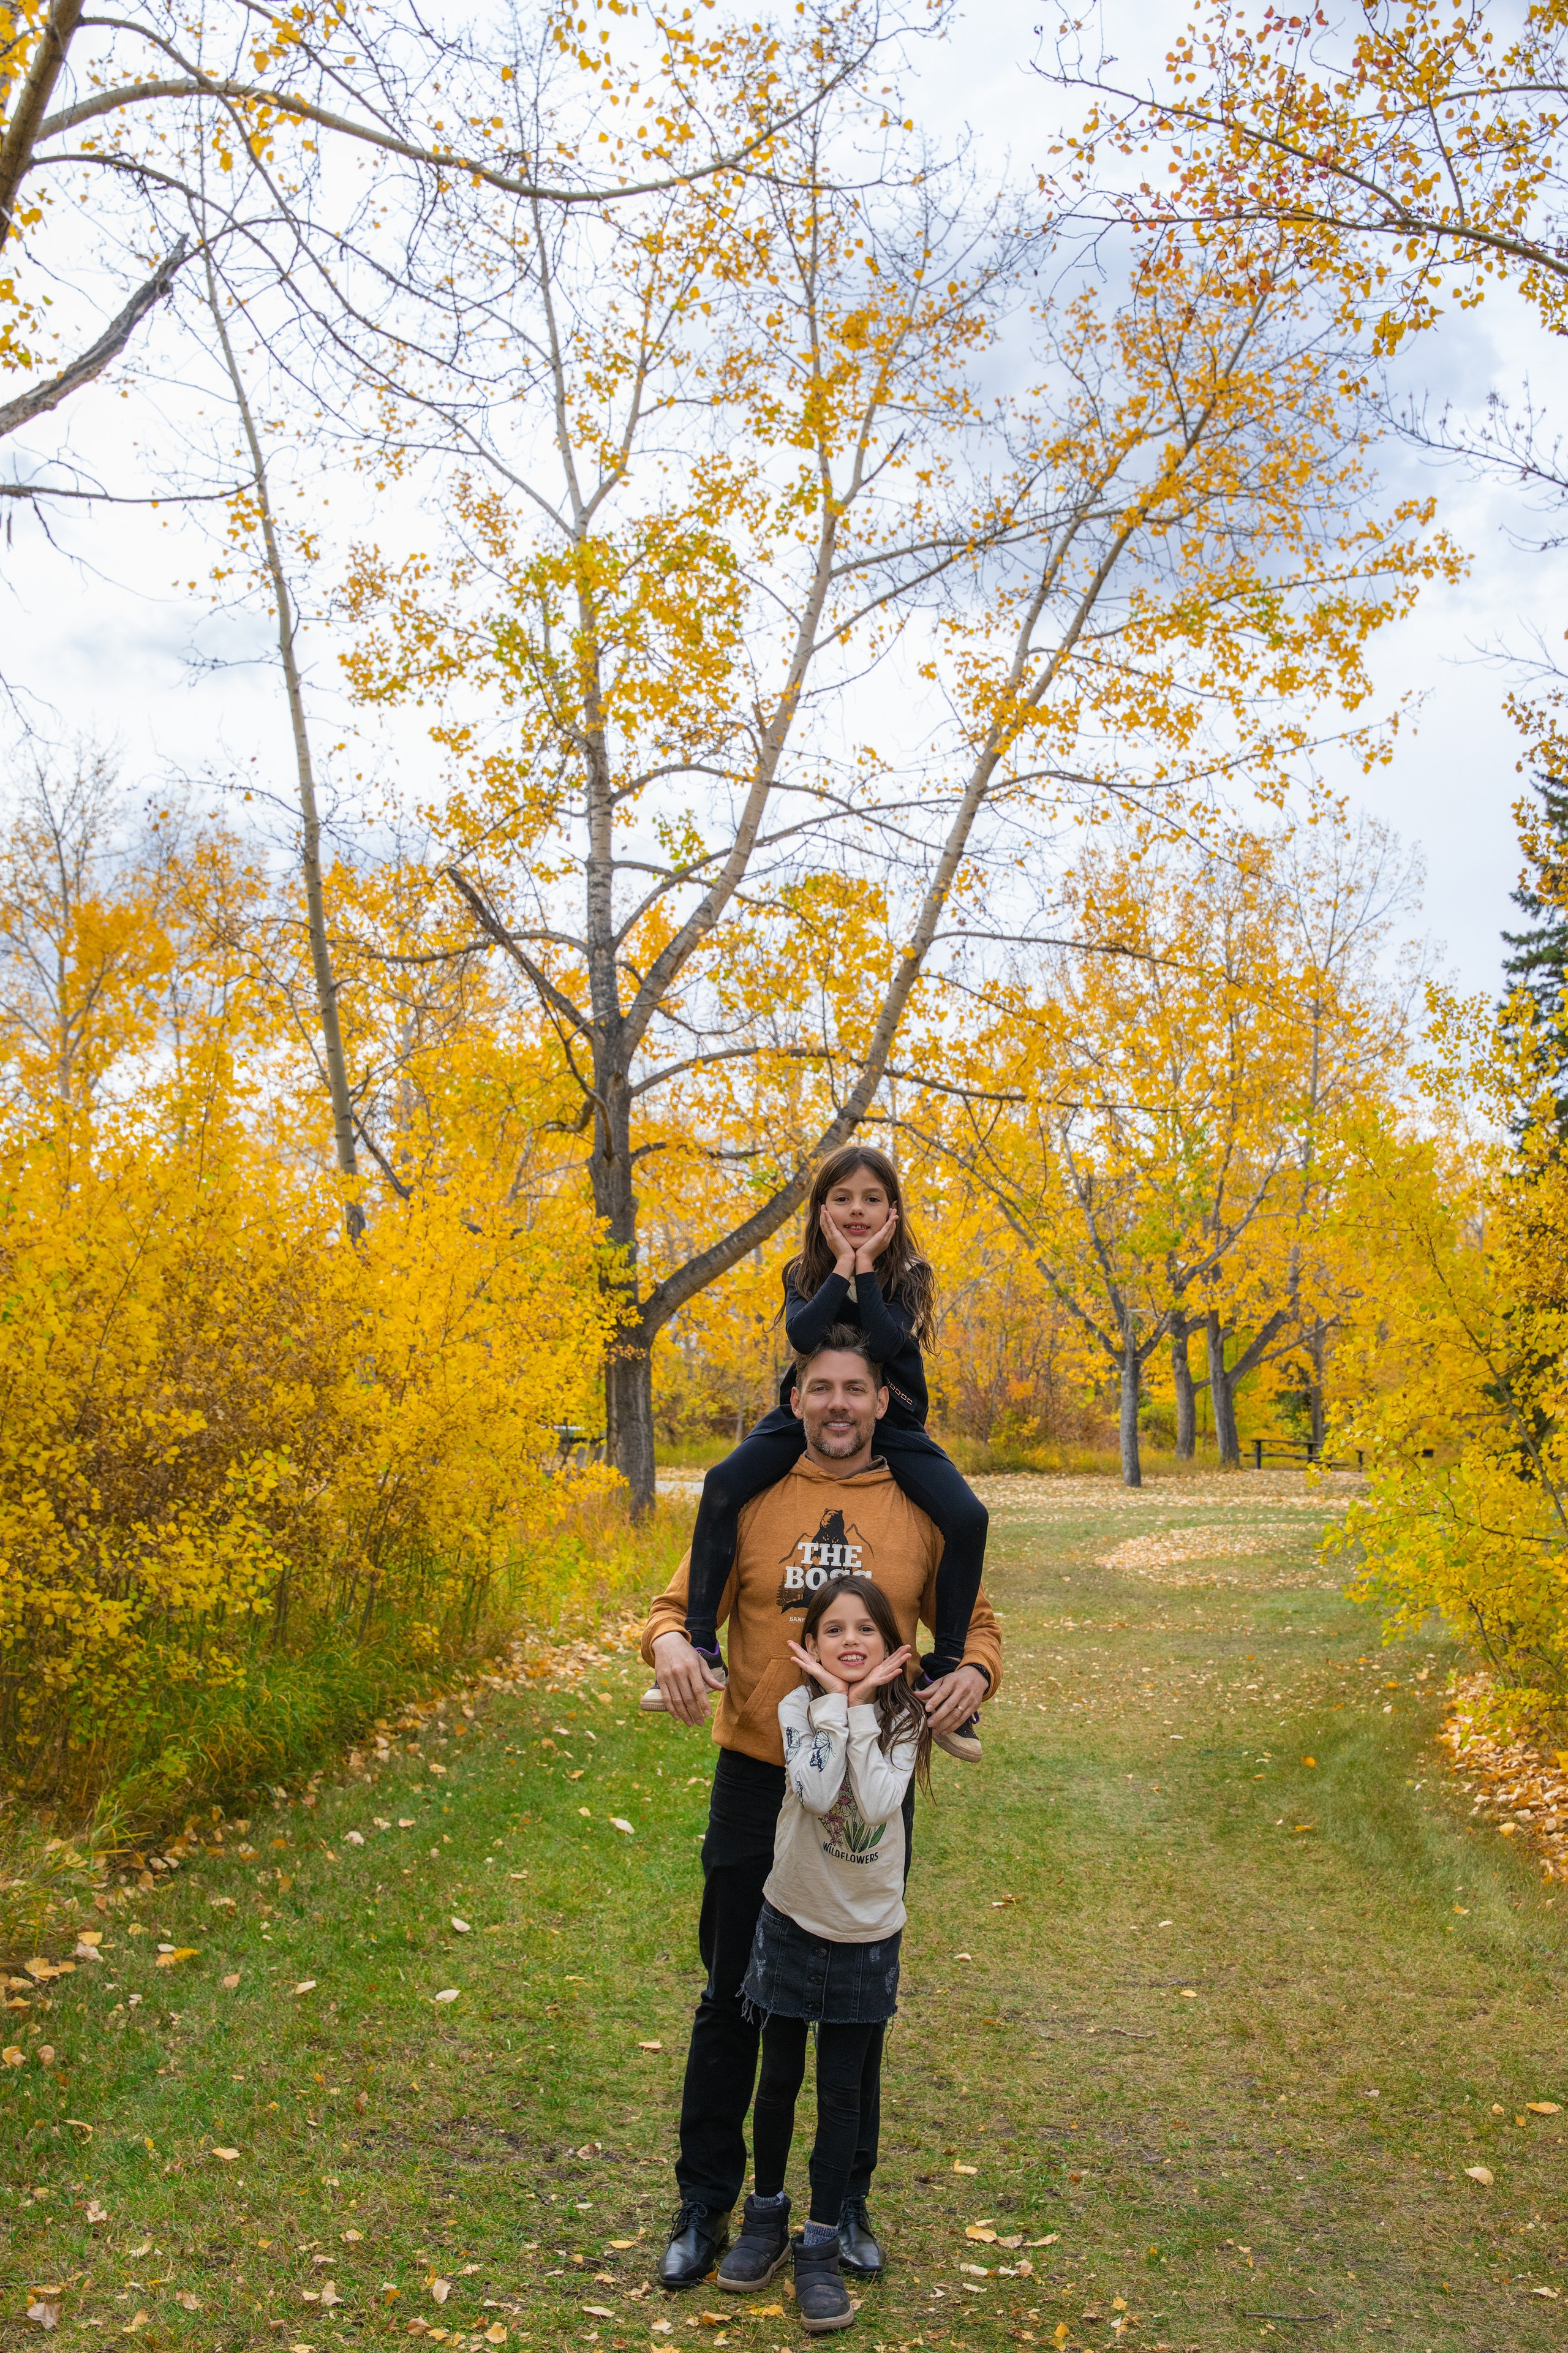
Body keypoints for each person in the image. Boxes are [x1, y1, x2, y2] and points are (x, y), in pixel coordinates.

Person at [641, 1326, 1003, 2292]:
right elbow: (680, 1604)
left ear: (884, 1401)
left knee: (855, 2003)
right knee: (731, 1994)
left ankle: (845, 2205)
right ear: (795, 1398)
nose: (837, 1403)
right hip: (761, 1774)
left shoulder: (920, 1508)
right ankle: (706, 2200)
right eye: (819, 1388)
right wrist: (671, 1642)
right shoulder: (754, 1494)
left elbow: (978, 1624)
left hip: (864, 1792)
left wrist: (973, 1667)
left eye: (855, 1388)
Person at [642, 1146, 990, 1760]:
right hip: (795, 1418)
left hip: (898, 1420)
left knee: (969, 1517)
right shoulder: (801, 1271)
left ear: (892, 1209)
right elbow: (803, 1336)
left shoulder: (909, 1275)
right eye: (842, 1198)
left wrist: (864, 1270)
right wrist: (837, 1266)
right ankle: (698, 1641)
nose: (857, 1209)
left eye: (871, 1198)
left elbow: (885, 1341)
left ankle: (945, 1668)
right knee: (722, 1481)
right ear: (821, 1209)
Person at [724, 1574, 929, 2332]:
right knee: (777, 2079)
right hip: (793, 1917)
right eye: (833, 1630)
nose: (850, 1641)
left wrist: (863, 1711)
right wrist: (836, 1708)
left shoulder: (906, 1721)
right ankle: (766, 2218)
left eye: (865, 1630)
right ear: (809, 1646)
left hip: (866, 1935)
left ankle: (820, 2240)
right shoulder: (794, 1708)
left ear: (891, 1644)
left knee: (843, 2091)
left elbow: (875, 1802)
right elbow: (814, 1790)